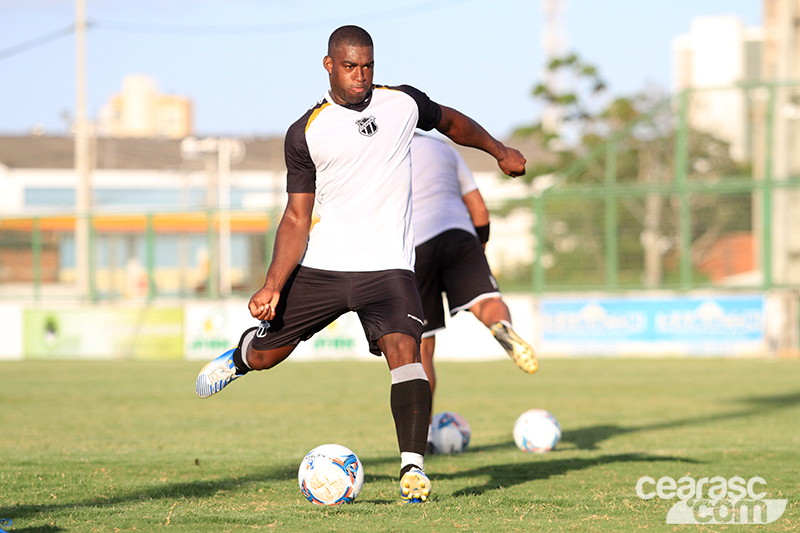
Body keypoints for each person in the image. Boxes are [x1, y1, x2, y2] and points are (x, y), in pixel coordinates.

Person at [194, 25, 526, 504]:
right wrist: (272, 284)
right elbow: (295, 217)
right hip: (325, 265)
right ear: (329, 65)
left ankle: (413, 469)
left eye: (368, 66)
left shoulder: (402, 104)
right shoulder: (305, 132)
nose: (361, 76)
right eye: (350, 66)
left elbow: (451, 122)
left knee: (406, 353)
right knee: (270, 355)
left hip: (389, 268)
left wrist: (498, 151)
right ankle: (239, 358)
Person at [409, 133, 538, 450]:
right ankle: (501, 327)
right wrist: (477, 248)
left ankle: (422, 436)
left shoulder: (382, 148)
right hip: (459, 233)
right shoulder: (444, 149)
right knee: (487, 301)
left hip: (414, 245)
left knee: (422, 349)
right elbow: (479, 208)